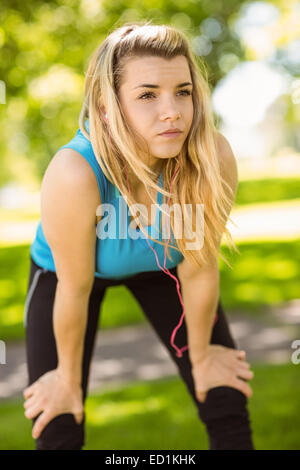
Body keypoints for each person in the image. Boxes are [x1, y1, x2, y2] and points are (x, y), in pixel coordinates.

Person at [23, 21, 255, 450]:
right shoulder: (75, 172)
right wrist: (68, 379)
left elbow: (200, 270)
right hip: (70, 277)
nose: (173, 111)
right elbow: (75, 289)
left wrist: (203, 357)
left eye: (182, 91)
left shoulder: (210, 156)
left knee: (224, 393)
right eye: (147, 95)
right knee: (58, 415)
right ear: (108, 108)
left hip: (162, 268)